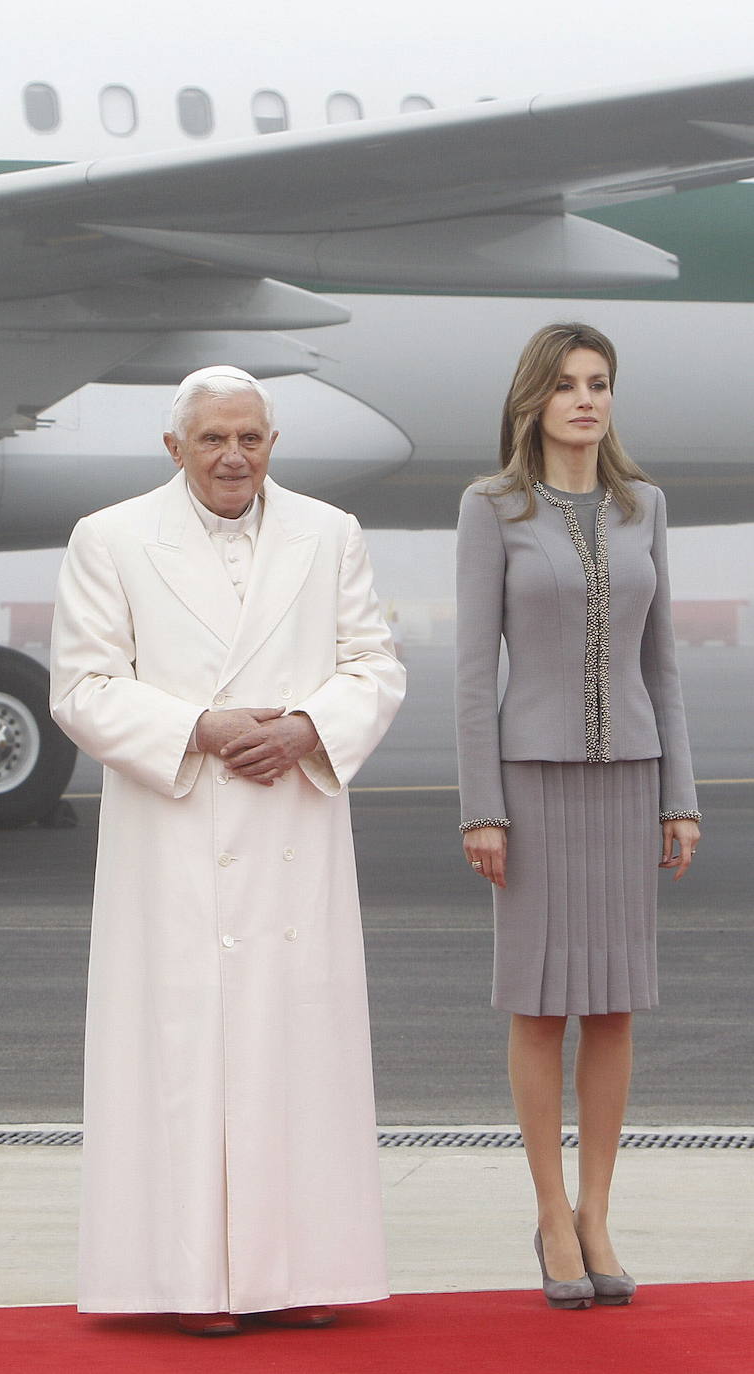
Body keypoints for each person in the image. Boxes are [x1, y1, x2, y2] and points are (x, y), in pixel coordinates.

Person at [50, 365, 405, 1335]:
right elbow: (81, 689)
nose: (232, 457)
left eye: (249, 438)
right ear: (174, 449)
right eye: (211, 439)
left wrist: (305, 728)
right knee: (181, 1056)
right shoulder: (110, 538)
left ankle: (295, 1275)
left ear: (272, 446)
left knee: (294, 1054)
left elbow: (372, 664)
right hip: (173, 832)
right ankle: (189, 1281)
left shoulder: (327, 535)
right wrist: (198, 729)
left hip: (290, 825)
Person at [455, 322, 700, 1310]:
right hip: (532, 781)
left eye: (597, 383)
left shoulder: (642, 506)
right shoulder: (491, 507)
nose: (584, 400)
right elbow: (475, 673)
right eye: (564, 385)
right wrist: (482, 809)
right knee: (538, 1001)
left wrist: (677, 796)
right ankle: (549, 1215)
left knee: (611, 1003)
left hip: (628, 777)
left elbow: (662, 663)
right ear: (532, 400)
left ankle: (596, 1213)